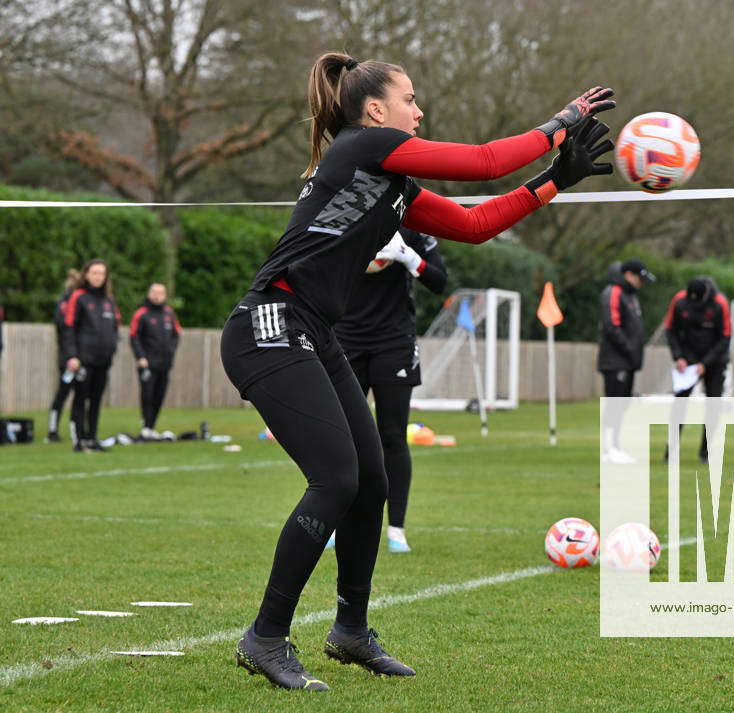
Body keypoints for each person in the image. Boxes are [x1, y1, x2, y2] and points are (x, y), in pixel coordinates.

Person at [219, 51, 615, 691]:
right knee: (336, 478)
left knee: (371, 478)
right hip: (268, 325)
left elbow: (475, 224)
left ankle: (350, 632)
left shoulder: (389, 178)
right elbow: (485, 161)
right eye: (411, 99)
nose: (419, 110)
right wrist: (561, 122)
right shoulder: (362, 145)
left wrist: (553, 182)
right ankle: (265, 637)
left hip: (311, 332)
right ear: (376, 111)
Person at [332, 227, 447, 554]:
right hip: (345, 339)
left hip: (394, 342)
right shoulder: (346, 217)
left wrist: (410, 259)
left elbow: (439, 281)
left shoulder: (413, 227)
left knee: (393, 436)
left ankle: (396, 528)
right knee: (343, 436)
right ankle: (337, 522)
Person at [663, 275, 731, 463]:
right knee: (679, 405)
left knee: (713, 406)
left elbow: (725, 338)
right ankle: (671, 452)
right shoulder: (679, 300)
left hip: (715, 361)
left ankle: (705, 453)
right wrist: (679, 357)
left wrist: (705, 364)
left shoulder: (720, 304)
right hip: (688, 361)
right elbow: (670, 330)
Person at [597, 258, 655, 463]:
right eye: (640, 278)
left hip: (628, 361)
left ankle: (616, 446)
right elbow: (612, 326)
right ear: (629, 275)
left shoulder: (630, 296)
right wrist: (629, 350)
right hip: (615, 361)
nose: (641, 283)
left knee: (622, 405)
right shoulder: (613, 293)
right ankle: (608, 449)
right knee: (614, 404)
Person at [62, 259, 120, 452]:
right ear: (86, 274)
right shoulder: (78, 297)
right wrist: (72, 356)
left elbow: (115, 328)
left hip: (103, 360)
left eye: (101, 273)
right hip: (83, 360)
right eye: (94, 273)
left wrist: (111, 350)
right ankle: (78, 440)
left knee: (96, 400)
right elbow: (68, 327)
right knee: (81, 398)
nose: (98, 277)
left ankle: (91, 438)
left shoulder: (108, 301)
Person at [130, 283, 182, 440]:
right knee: (148, 394)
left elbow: (177, 334)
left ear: (165, 296)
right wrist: (141, 357)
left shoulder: (169, 314)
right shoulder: (141, 314)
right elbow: (134, 337)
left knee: (159, 395)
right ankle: (146, 425)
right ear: (149, 293)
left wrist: (171, 351)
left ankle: (151, 426)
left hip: (164, 364)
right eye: (154, 292)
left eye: (160, 293)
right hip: (147, 364)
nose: (157, 295)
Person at [46, 269, 80, 442]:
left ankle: (79, 430)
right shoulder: (66, 303)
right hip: (68, 357)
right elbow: (63, 327)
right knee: (63, 392)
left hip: (83, 356)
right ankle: (52, 430)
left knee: (81, 396)